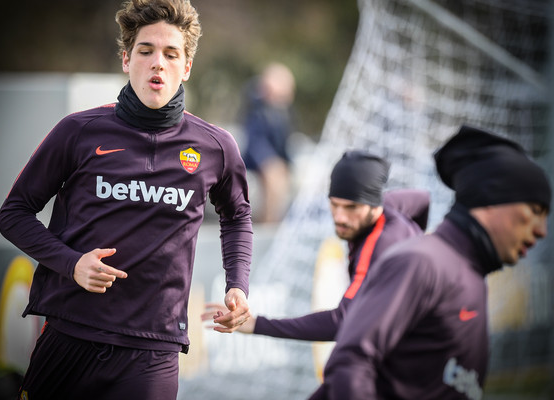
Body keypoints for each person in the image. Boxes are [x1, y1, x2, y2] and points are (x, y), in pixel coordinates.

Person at [0, 1, 252, 399]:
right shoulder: (77, 131)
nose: (158, 64)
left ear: (186, 68)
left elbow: (236, 217)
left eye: (171, 54)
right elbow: (13, 213)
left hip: (153, 350)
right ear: (125, 59)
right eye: (146, 51)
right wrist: (71, 263)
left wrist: (238, 285)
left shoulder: (215, 147)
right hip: (70, 333)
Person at [309, 125, 551, 400]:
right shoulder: (422, 262)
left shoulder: (470, 275)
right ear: (492, 200)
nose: (541, 229)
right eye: (534, 211)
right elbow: (349, 364)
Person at [203, 150, 429, 343]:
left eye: (351, 208)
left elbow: (342, 322)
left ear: (373, 205)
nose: (340, 217)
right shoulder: (389, 206)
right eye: (335, 205)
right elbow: (422, 200)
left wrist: (257, 324)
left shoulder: (379, 245)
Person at [241, 62, 296, 223]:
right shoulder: (257, 108)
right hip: (256, 157)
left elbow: (284, 142)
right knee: (273, 175)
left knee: (281, 175)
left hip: (274, 156)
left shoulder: (284, 112)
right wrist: (267, 161)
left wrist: (287, 162)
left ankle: (272, 220)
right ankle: (268, 222)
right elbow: (255, 140)